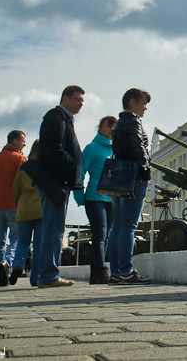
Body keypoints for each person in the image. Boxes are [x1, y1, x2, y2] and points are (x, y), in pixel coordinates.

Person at [34, 85, 84, 288]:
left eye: (82, 100)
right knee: (53, 230)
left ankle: (46, 274)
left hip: (59, 182)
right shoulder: (55, 117)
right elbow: (53, 148)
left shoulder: (64, 119)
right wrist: (71, 164)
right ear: (65, 98)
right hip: (54, 182)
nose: (81, 103)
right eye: (77, 99)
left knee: (52, 229)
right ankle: (48, 275)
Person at [107, 88, 152, 285]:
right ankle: (126, 271)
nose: (145, 108)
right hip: (133, 175)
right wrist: (145, 169)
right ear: (132, 101)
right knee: (129, 225)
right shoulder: (133, 121)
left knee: (117, 225)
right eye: (143, 103)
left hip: (119, 176)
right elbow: (138, 146)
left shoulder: (119, 124)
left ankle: (116, 271)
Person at [73, 116, 117, 285]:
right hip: (94, 197)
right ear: (100, 128)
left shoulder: (116, 150)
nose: (112, 129)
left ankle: (97, 275)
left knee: (106, 236)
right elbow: (81, 171)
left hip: (112, 198)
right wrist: (79, 196)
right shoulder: (91, 148)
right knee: (100, 234)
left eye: (114, 127)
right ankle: (101, 271)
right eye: (108, 126)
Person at [0, 130, 27, 286]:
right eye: (23, 141)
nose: (24, 144)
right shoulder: (20, 159)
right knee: (17, 238)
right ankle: (8, 263)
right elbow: (24, 183)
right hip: (14, 205)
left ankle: (0, 274)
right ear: (15, 141)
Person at [13, 140, 43, 287]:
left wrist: (19, 203)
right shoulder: (44, 166)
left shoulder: (23, 167)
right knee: (38, 244)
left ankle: (18, 264)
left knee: (23, 241)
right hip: (41, 207)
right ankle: (35, 278)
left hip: (24, 207)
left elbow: (15, 189)